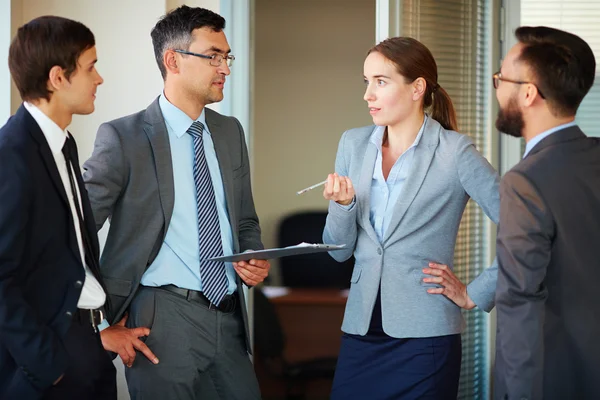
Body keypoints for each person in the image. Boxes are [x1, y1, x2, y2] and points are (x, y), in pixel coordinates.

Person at [82, 6, 270, 400]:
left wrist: (251, 255)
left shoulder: (230, 132)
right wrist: (98, 326)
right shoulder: (123, 138)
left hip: (229, 314)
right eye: (214, 56)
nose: (225, 68)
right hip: (160, 317)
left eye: (227, 57)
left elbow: (245, 221)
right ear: (173, 60)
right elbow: (74, 235)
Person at [322, 36, 500, 399]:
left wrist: (475, 293)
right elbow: (338, 252)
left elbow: (525, 230)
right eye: (366, 82)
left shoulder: (455, 152)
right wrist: (343, 206)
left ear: (417, 87)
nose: (368, 94)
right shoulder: (352, 145)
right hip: (360, 332)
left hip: (426, 338)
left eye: (381, 82)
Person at [0, 16, 118, 399]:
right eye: (90, 67)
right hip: (52, 360)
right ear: (58, 78)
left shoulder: (62, 144)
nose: (99, 78)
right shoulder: (11, 154)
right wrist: (47, 364)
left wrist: (100, 330)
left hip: (88, 344)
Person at [493, 26, 600, 400]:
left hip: (553, 380)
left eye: (501, 77)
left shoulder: (524, 182)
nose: (496, 88)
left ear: (527, 93)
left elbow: (520, 303)